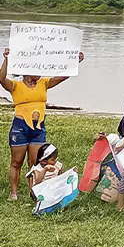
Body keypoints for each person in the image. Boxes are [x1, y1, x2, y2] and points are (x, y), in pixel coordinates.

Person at [1, 47, 84, 201]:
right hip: (20, 127)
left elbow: (62, 77)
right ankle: (13, 193)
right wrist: (6, 59)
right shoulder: (15, 85)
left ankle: (32, 191)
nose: (39, 72)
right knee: (16, 161)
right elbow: (1, 79)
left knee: (34, 162)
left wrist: (75, 62)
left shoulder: (44, 83)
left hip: (38, 128)